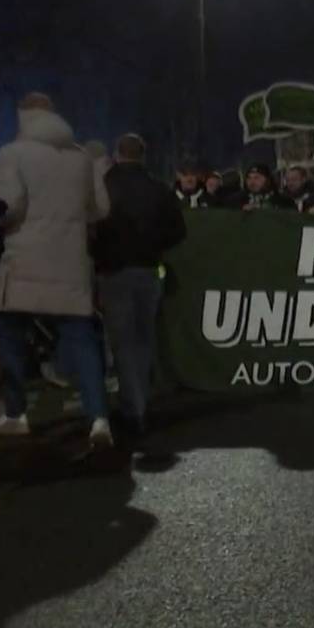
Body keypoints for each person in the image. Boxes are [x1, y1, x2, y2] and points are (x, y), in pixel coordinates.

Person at [0, 93, 113, 447]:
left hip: (24, 263)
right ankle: (99, 420)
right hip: (71, 265)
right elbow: (100, 209)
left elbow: (8, 208)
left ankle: (16, 414)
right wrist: (70, 221)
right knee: (83, 341)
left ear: (23, 115)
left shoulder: (14, 153)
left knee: (6, 333)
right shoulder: (82, 157)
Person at [93, 134, 186, 436]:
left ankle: (134, 408)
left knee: (122, 341)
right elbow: (178, 230)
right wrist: (153, 245)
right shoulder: (157, 188)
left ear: (117, 154)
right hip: (148, 269)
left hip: (114, 271)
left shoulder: (104, 186)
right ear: (143, 156)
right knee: (144, 338)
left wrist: (100, 254)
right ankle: (139, 399)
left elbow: (90, 227)